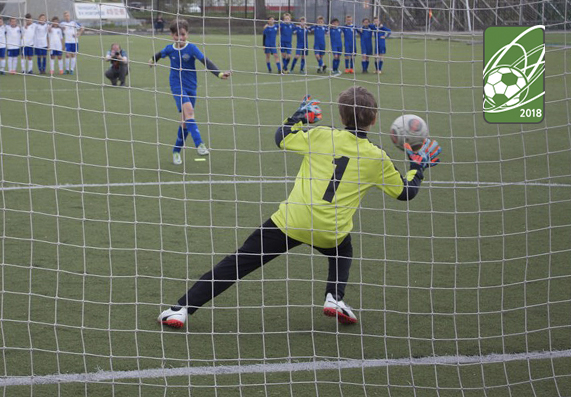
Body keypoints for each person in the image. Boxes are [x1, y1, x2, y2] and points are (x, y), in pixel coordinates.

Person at [157, 86, 442, 329]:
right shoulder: (377, 158)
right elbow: (405, 193)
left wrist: (299, 115)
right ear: (375, 119)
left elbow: (281, 137)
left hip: (291, 221)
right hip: (331, 230)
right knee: (343, 250)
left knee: (238, 262)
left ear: (341, 116)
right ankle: (334, 296)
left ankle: (181, 309)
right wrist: (418, 167)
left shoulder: (321, 135)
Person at [149, 18, 231, 165]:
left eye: (182, 34)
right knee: (190, 112)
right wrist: (152, 60)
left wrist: (218, 74)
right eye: (176, 35)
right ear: (171, 35)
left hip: (191, 86)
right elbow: (159, 54)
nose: (179, 38)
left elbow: (205, 61)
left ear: (187, 33)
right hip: (176, 85)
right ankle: (200, 144)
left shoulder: (191, 48)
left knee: (185, 122)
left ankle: (176, 151)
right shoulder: (170, 48)